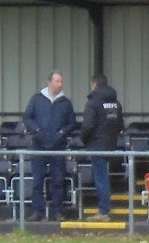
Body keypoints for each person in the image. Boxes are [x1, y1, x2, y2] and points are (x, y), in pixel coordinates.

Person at [22, 70, 75, 220]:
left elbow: (72, 123)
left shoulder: (66, 103)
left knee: (58, 181)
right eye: (57, 81)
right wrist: (37, 130)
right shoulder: (36, 99)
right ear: (49, 82)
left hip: (58, 147)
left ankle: (57, 211)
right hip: (38, 146)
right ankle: (36, 211)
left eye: (61, 81)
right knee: (37, 181)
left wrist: (62, 133)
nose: (60, 84)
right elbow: (27, 117)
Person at [80, 73, 124, 221]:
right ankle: (104, 207)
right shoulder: (116, 103)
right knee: (103, 177)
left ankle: (103, 211)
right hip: (111, 144)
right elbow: (120, 125)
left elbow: (87, 125)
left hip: (97, 145)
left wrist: (84, 140)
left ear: (94, 84)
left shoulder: (93, 102)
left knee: (100, 178)